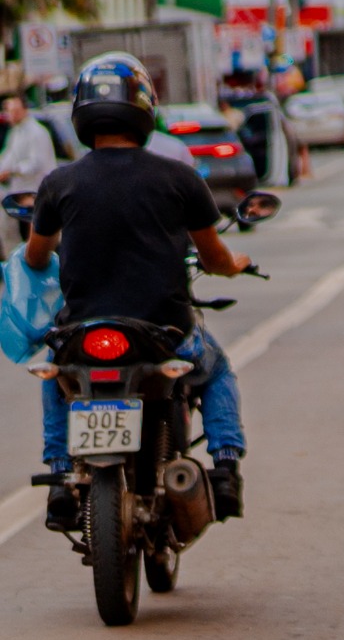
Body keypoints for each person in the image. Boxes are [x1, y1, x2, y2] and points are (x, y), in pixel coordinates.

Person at [27, 54, 253, 531]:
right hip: (164, 332)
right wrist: (235, 266)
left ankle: (60, 474)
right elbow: (214, 258)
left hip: (82, 331)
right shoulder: (179, 178)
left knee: (55, 373)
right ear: (145, 108)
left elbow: (35, 256)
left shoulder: (58, 183)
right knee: (216, 371)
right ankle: (227, 468)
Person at [0, 95, 60, 247]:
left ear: (24, 110)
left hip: (36, 193)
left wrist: (11, 171)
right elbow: (9, 157)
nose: (11, 114)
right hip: (19, 193)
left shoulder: (37, 132)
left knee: (37, 236)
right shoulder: (16, 132)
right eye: (9, 110)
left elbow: (35, 163)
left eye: (15, 110)